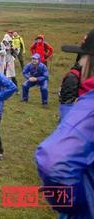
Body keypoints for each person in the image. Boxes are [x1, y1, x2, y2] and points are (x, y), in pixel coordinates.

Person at [35, 29, 94, 218]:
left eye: (82, 56)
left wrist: (74, 206)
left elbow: (52, 160)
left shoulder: (89, 107)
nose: (79, 63)